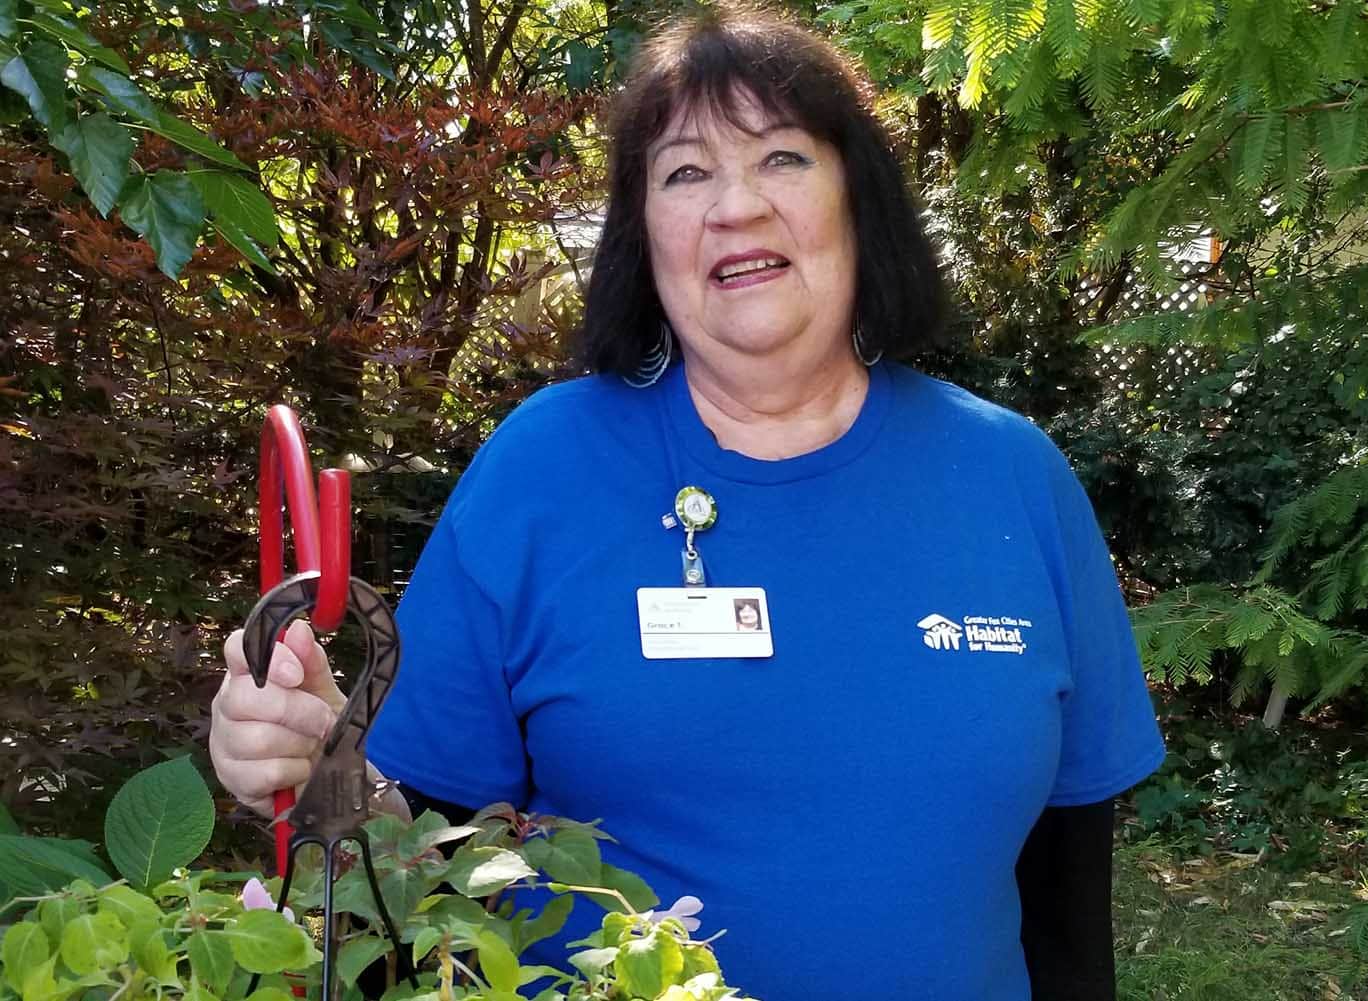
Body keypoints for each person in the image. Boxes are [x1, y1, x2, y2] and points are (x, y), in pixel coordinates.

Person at [209, 6, 1165, 999]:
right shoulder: (544, 469)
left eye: (783, 159)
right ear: (645, 235)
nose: (735, 206)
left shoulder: (1013, 476)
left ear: (858, 198)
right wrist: (326, 761)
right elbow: (420, 864)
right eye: (685, 172)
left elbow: (1066, 889)